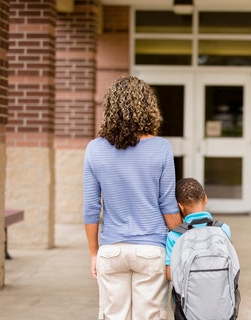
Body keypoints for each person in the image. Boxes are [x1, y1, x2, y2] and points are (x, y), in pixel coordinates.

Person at [83, 75, 183, 320]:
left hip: (111, 251)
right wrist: (183, 242)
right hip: (151, 250)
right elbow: (168, 205)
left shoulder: (94, 148)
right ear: (148, 107)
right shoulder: (161, 147)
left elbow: (90, 208)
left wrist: (94, 253)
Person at [165, 178, 231, 281]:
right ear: (205, 199)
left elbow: (170, 275)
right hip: (220, 294)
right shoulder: (223, 229)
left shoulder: (174, 235)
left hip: (189, 295)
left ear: (180, 207)